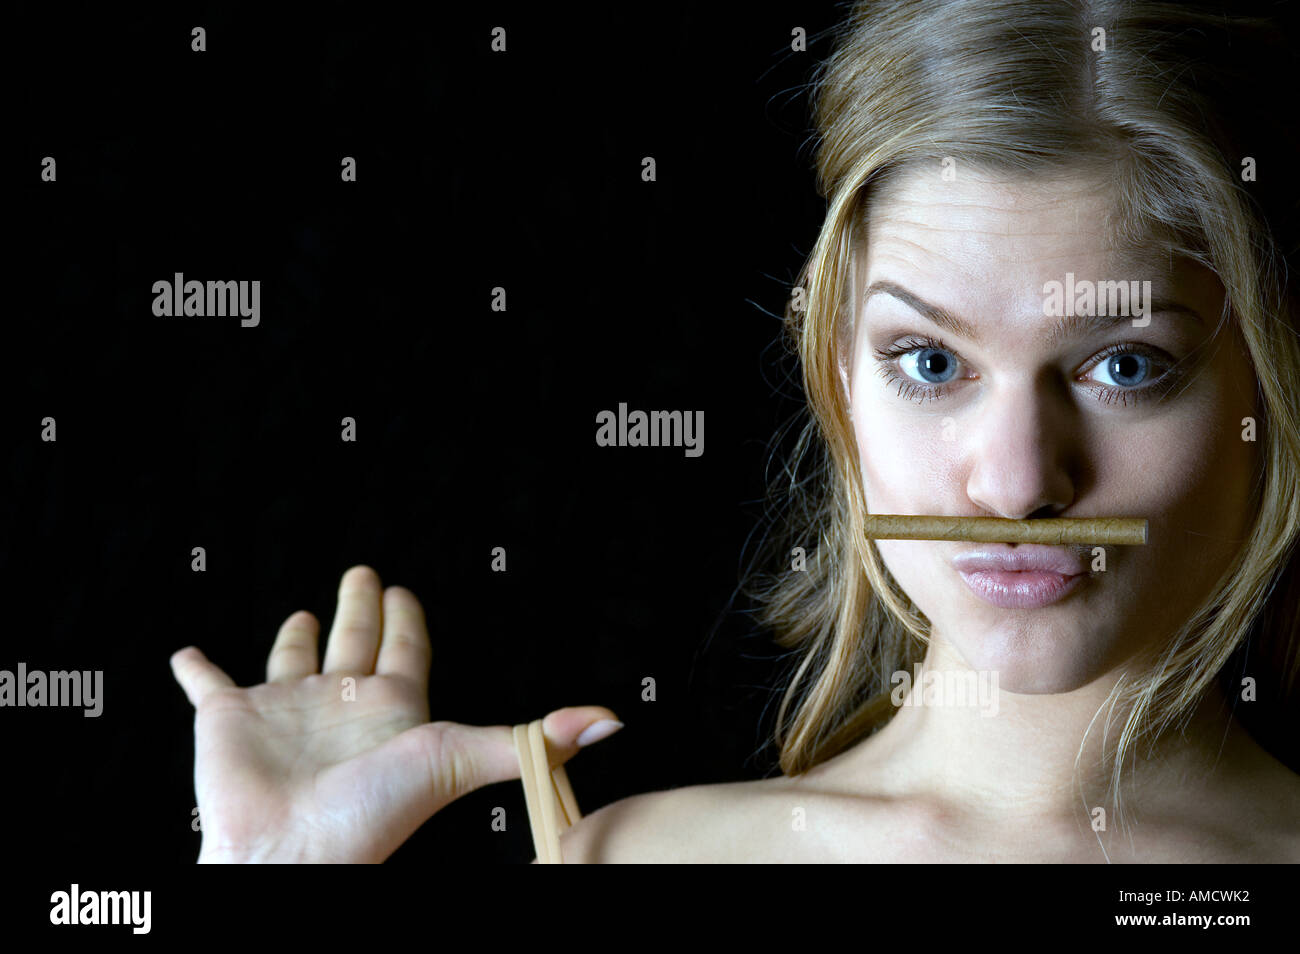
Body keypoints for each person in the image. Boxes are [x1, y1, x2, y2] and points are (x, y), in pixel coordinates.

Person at [171, 0, 1300, 862]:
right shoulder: (635, 860)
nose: (1013, 484)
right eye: (930, 362)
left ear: (1270, 382)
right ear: (837, 378)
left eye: (1125, 365)